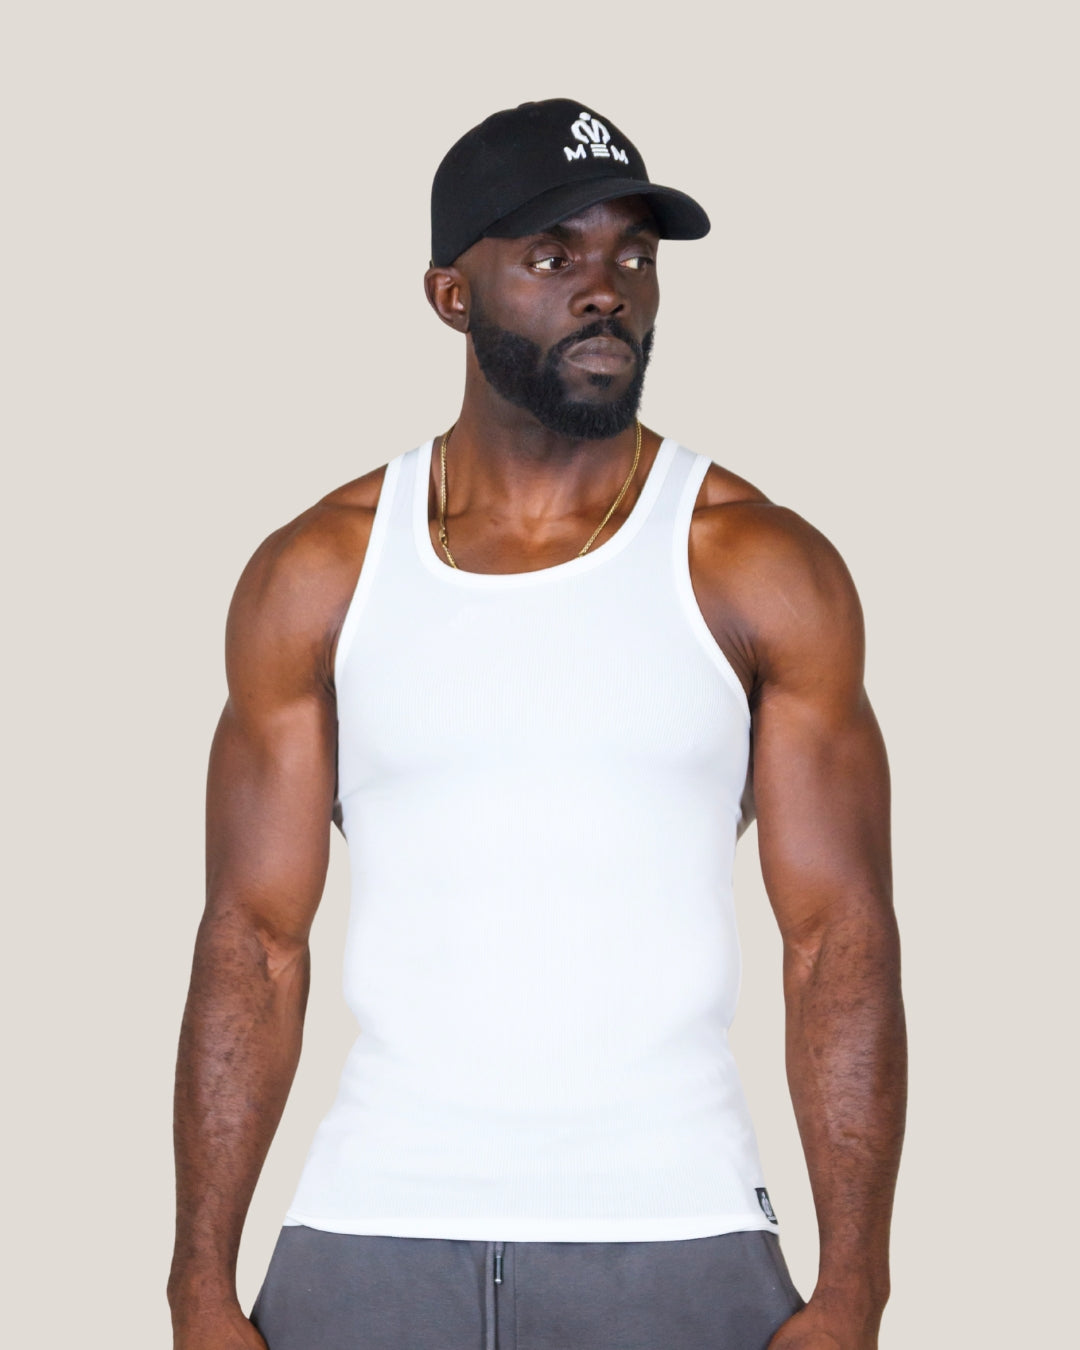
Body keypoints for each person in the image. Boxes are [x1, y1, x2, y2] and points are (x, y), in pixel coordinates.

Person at [168, 98, 907, 1350]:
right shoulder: (322, 572)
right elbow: (253, 939)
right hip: (369, 1235)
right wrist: (197, 1284)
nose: (606, 288)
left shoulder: (758, 567)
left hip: (680, 1238)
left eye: (633, 254)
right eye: (554, 255)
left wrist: (853, 1293)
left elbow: (836, 936)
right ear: (451, 296)